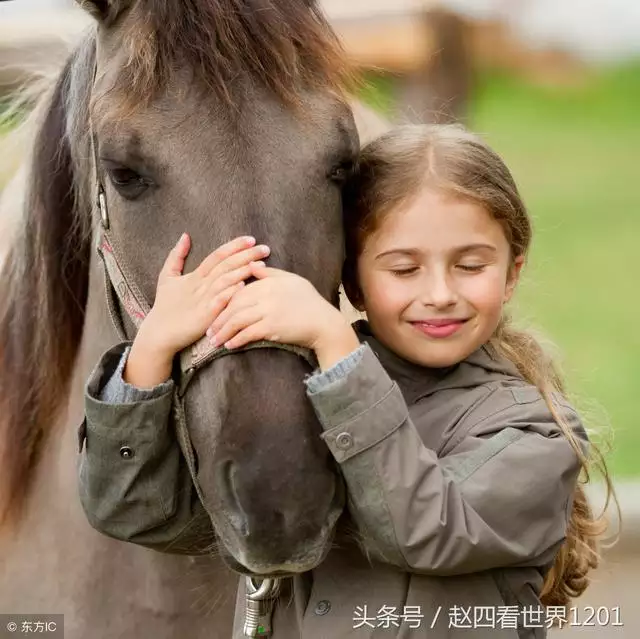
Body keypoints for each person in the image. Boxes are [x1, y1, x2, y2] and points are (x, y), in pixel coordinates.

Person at [78, 124, 612, 638]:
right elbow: (138, 514)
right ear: (352, 281)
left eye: (470, 266)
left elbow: (427, 531)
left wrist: (337, 349)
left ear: (511, 273)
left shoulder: (536, 432)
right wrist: (152, 349)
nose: (441, 293)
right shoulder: (297, 398)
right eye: (404, 270)